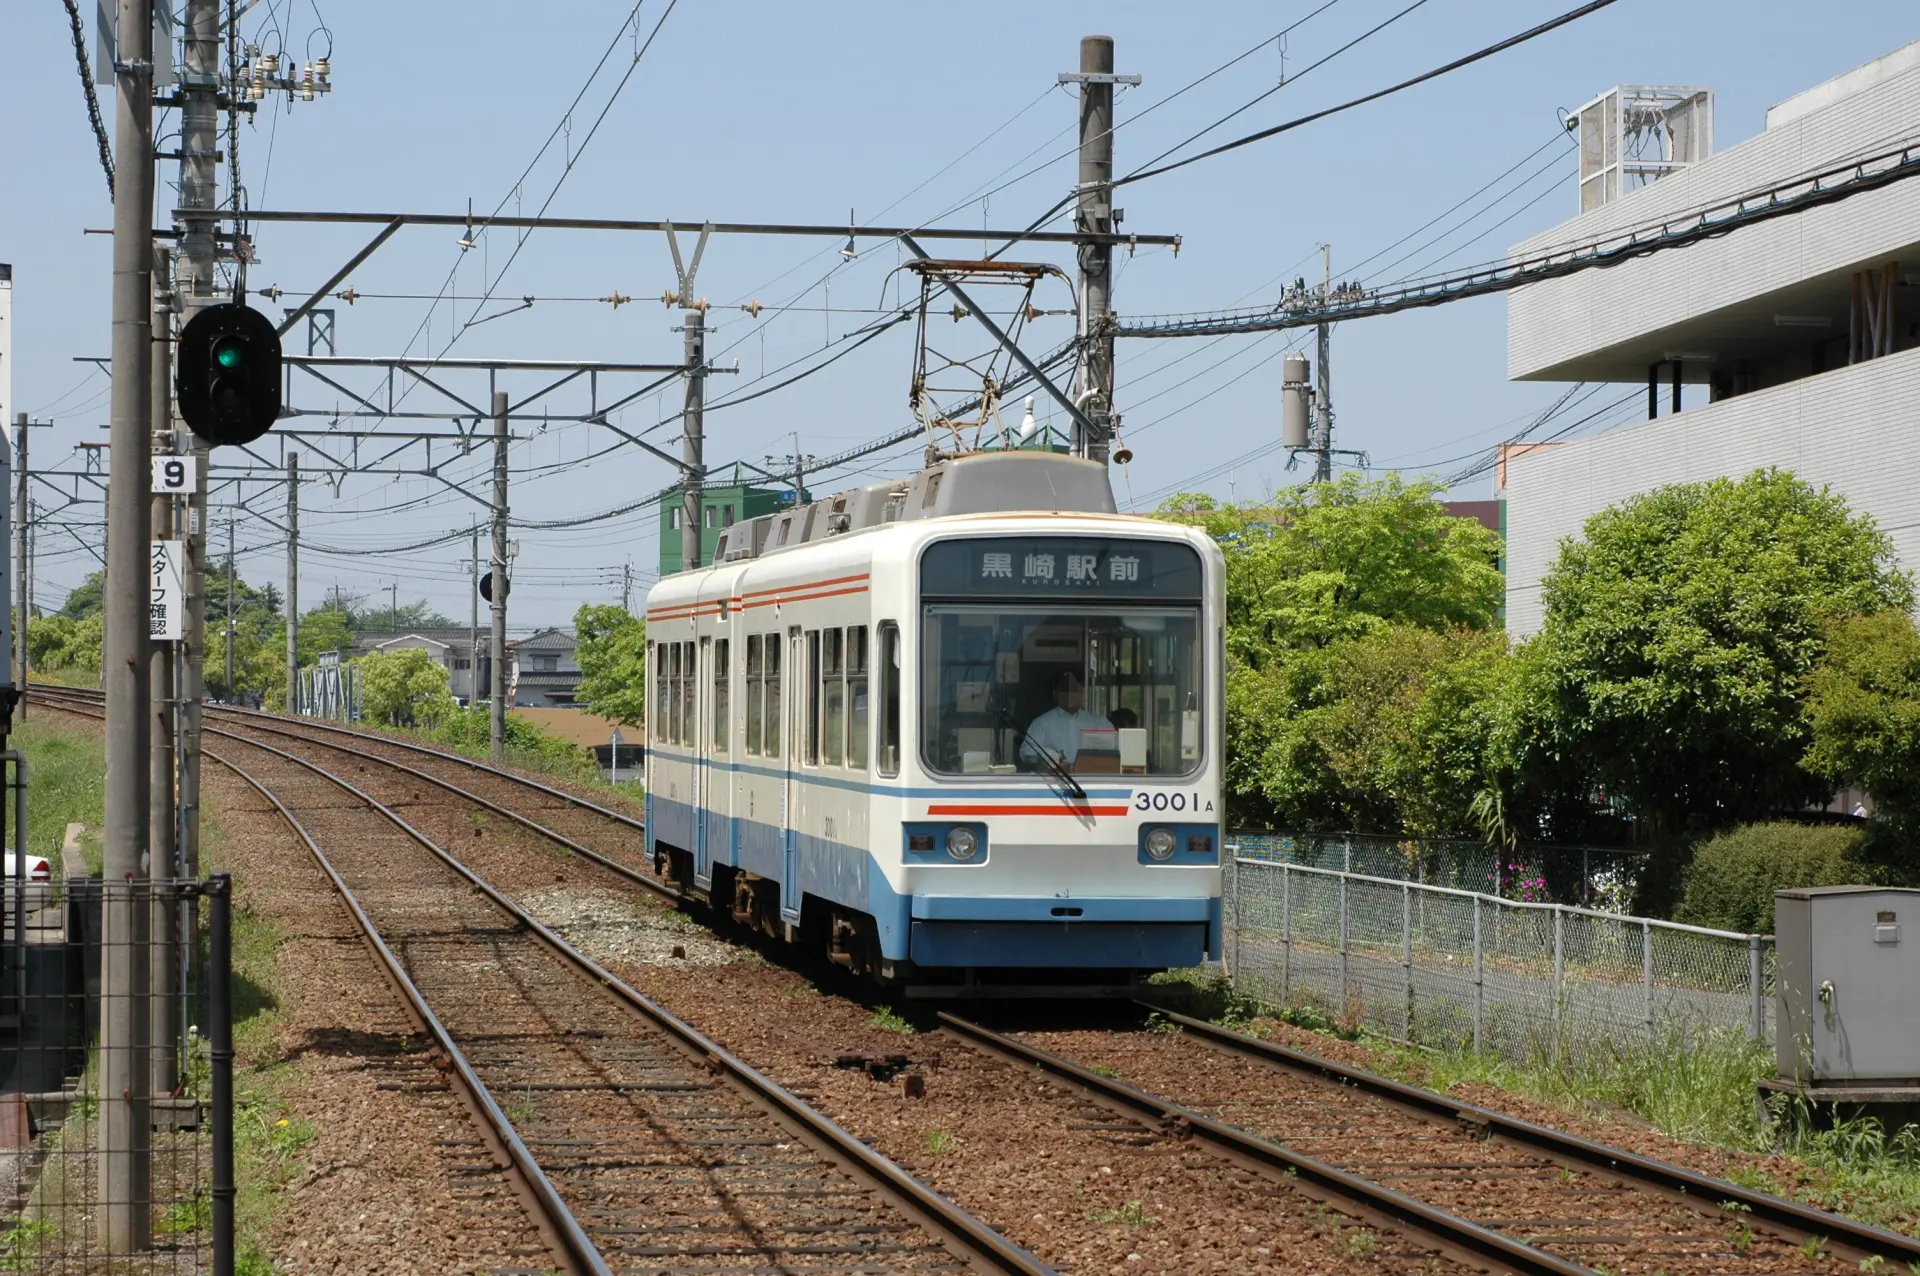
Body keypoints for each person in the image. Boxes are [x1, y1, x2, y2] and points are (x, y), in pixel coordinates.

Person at [1020, 668, 1112, 769]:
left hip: (1092, 780)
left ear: (1082, 694)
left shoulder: (1100, 723)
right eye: (1065, 690)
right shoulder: (1041, 723)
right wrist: (1050, 757)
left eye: (1075, 690)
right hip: (1054, 781)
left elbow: (1115, 753)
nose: (1070, 695)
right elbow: (1026, 751)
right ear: (1055, 694)